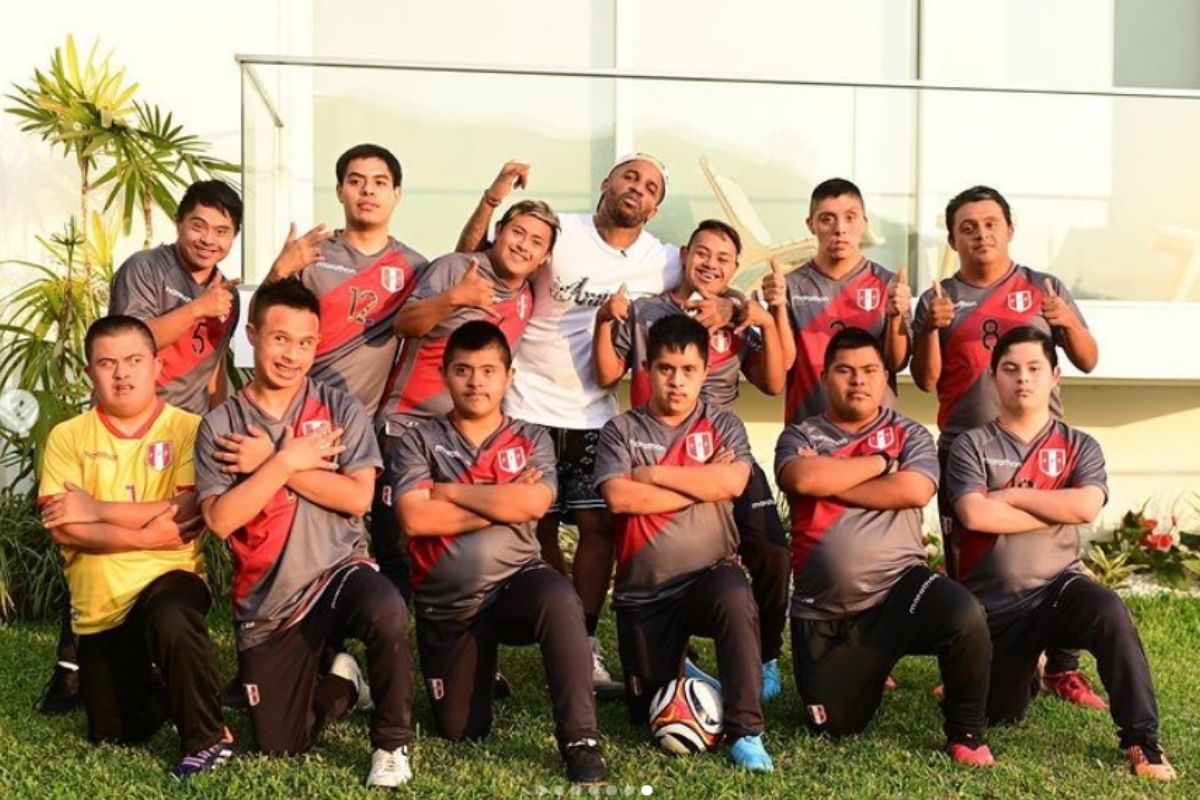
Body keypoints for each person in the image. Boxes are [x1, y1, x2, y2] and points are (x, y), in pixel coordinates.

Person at [457, 156, 732, 694]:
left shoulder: (664, 261)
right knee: (530, 528)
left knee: (597, 527)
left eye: (652, 186)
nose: (639, 188)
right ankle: (544, 626)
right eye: (630, 176)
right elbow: (473, 256)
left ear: (656, 207)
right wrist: (492, 200)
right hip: (524, 406)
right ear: (607, 183)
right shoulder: (563, 233)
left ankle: (582, 638)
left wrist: (730, 304)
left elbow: (713, 276)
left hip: (595, 414)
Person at [196, 280, 415, 788]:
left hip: (337, 570)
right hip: (270, 601)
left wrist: (275, 465)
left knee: (386, 609)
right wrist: (289, 459)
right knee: (279, 745)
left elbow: (357, 497)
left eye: (304, 342)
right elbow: (220, 519)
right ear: (252, 335)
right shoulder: (222, 424)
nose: (291, 354)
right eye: (279, 339)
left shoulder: (340, 409)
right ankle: (342, 678)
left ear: (317, 345)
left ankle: (391, 741)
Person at [946, 326, 1176, 782]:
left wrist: (1008, 495)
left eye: (1034, 369)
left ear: (1055, 377)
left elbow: (1086, 505)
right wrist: (1055, 509)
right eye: (1010, 369)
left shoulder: (1079, 445)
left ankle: (1142, 740)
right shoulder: (971, 444)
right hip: (996, 606)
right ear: (995, 377)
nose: (1022, 379)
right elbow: (975, 514)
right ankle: (1028, 670)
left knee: (1108, 609)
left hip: (1057, 588)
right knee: (1001, 714)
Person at [391, 320, 608, 785]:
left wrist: (445, 491)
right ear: (445, 375)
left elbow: (533, 503)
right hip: (449, 608)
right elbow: (415, 519)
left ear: (508, 377)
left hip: (516, 585)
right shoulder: (417, 439)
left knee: (559, 597)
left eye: (489, 370)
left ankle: (580, 740)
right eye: (464, 370)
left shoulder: (530, 437)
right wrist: (500, 498)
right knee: (460, 732)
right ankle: (480, 671)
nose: (476, 381)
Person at [912, 185, 1102, 707]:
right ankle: (972, 662)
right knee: (967, 560)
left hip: (1043, 450)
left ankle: (1063, 667)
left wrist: (1065, 324)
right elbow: (925, 380)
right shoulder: (938, 298)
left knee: (1058, 552)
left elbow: (1087, 358)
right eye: (967, 227)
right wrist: (929, 329)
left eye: (990, 223)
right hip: (965, 451)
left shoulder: (1043, 287)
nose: (980, 234)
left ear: (1009, 229)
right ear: (953, 239)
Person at [774, 327, 995, 767]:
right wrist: (878, 463)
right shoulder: (800, 436)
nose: (858, 380)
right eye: (845, 370)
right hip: (825, 611)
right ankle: (872, 669)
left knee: (964, 614)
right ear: (825, 377)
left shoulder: (909, 433)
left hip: (899, 591)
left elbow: (914, 490)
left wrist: (834, 481)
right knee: (833, 725)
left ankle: (966, 731)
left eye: (869, 370)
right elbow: (801, 479)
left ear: (885, 378)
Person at [592, 218, 793, 699]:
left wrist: (764, 314)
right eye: (703, 253)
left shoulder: (735, 317)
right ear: (685, 253)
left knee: (771, 550)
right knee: (663, 556)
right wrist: (604, 320)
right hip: (655, 447)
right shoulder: (646, 312)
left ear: (734, 269)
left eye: (724, 259)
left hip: (722, 456)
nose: (711, 264)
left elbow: (775, 381)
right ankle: (674, 654)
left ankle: (764, 656)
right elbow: (605, 374)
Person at [38, 315, 229, 777]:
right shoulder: (68, 436)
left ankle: (207, 741)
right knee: (118, 729)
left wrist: (94, 508)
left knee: (171, 616)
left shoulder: (186, 428)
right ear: (90, 374)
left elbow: (184, 514)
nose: (121, 373)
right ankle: (165, 682)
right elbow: (64, 528)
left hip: (171, 577)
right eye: (107, 363)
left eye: (133, 361)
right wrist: (145, 534)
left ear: (157, 366)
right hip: (100, 607)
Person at [593, 314, 773, 771]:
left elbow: (732, 482)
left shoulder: (724, 424)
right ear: (647, 369)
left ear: (705, 371)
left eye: (688, 370)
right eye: (666, 369)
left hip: (708, 576)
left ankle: (746, 731)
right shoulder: (622, 431)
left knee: (735, 595)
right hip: (645, 593)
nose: (676, 381)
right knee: (644, 714)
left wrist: (651, 475)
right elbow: (619, 498)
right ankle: (684, 671)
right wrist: (700, 479)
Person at [372, 200, 560, 597]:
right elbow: (404, 324)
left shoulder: (527, 295)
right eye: (518, 232)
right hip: (410, 424)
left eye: (537, 242)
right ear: (500, 231)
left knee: (461, 540)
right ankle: (393, 647)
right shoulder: (456, 268)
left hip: (467, 440)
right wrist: (454, 299)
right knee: (397, 551)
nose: (524, 245)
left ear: (545, 257)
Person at [262, 142, 427, 414]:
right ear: (340, 191)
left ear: (397, 194)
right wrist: (279, 271)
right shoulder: (311, 255)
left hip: (365, 426)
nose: (368, 190)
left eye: (380, 182)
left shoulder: (415, 267)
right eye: (355, 181)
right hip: (298, 412)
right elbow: (259, 327)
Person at [763, 178, 911, 425]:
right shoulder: (789, 286)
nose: (840, 229)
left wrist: (897, 316)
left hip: (874, 435)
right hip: (808, 431)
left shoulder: (888, 284)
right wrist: (775, 308)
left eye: (850, 217)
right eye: (827, 219)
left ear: (864, 223)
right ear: (811, 225)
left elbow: (896, 362)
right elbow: (783, 367)